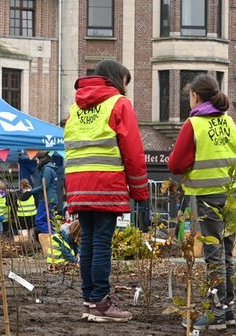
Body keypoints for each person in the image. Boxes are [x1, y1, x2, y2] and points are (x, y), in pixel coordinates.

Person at [168, 74, 236, 330]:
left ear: (195, 96)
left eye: (189, 96)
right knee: (226, 253)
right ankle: (227, 310)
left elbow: (176, 164)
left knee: (213, 253)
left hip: (206, 196)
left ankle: (216, 311)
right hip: (230, 196)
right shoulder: (229, 122)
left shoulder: (193, 124)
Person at [64, 59, 149, 323]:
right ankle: (101, 302)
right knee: (101, 242)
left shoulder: (76, 108)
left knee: (87, 242)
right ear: (116, 79)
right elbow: (133, 152)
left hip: (79, 185)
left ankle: (89, 301)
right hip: (106, 184)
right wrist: (140, 194)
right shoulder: (119, 104)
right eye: (126, 82)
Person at [29, 151, 58, 235]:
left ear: (41, 159)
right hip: (50, 198)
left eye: (37, 159)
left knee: (39, 220)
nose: (36, 161)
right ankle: (55, 238)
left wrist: (30, 192)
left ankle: (53, 237)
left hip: (47, 199)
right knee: (49, 221)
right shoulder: (50, 168)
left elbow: (44, 186)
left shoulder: (46, 169)